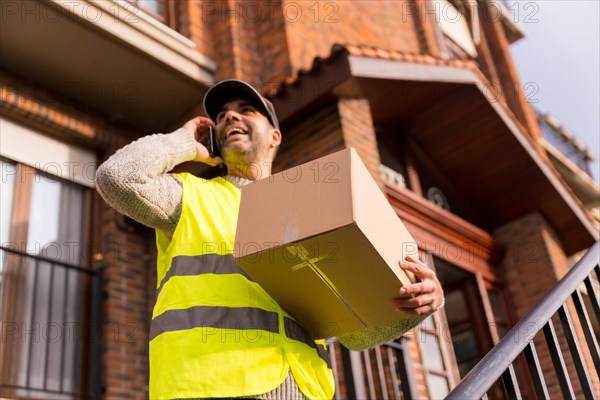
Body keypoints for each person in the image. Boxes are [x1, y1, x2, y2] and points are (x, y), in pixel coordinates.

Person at [96, 79, 444, 400]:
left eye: (246, 110)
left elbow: (356, 334)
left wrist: (417, 306)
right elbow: (117, 178)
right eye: (221, 115)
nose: (230, 115)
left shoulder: (307, 214)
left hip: (302, 389)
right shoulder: (189, 197)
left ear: (275, 136)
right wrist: (183, 143)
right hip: (207, 386)